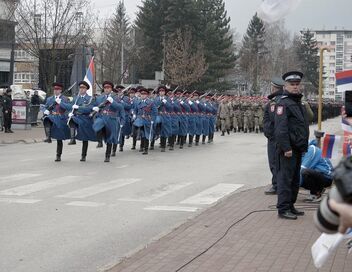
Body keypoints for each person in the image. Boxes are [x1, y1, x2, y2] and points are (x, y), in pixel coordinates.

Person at [275, 71, 310, 220]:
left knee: (295, 179)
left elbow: (302, 126)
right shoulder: (283, 103)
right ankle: (283, 209)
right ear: (286, 86)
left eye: (297, 84)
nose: (295, 87)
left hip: (297, 148)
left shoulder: (297, 102)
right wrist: (286, 148)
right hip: (288, 149)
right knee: (285, 179)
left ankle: (290, 205)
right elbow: (280, 128)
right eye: (292, 84)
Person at [61, 81, 96, 161]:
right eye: (80, 87)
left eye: (83, 88)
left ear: (86, 89)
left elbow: (89, 109)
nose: (81, 89)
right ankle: (72, 138)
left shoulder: (90, 98)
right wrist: (70, 113)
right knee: (71, 120)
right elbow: (71, 107)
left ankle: (83, 155)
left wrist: (79, 108)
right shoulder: (76, 98)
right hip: (77, 117)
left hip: (85, 119)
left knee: (85, 139)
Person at [91, 81, 125, 162]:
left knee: (110, 138)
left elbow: (120, 108)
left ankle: (107, 156)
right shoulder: (100, 98)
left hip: (111, 119)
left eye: (108, 88)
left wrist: (113, 102)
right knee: (96, 125)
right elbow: (93, 105)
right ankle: (100, 141)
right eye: (105, 88)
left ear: (111, 89)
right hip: (102, 117)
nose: (106, 89)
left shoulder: (116, 98)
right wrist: (94, 108)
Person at [263, 77, 285, 195]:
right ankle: (277, 184)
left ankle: (277, 185)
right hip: (274, 137)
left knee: (275, 162)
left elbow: (269, 121)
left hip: (277, 138)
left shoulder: (279, 101)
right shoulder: (272, 102)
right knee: (276, 162)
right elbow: (267, 121)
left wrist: (270, 134)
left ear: (274, 88)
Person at [43, 82, 70, 162]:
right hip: (52, 116)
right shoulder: (50, 99)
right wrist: (46, 111)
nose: (56, 91)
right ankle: (48, 137)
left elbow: (68, 108)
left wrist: (60, 103)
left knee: (59, 138)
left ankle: (58, 155)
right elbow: (45, 107)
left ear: (60, 90)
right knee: (47, 119)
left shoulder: (65, 99)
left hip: (60, 118)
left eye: (57, 89)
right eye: (55, 89)